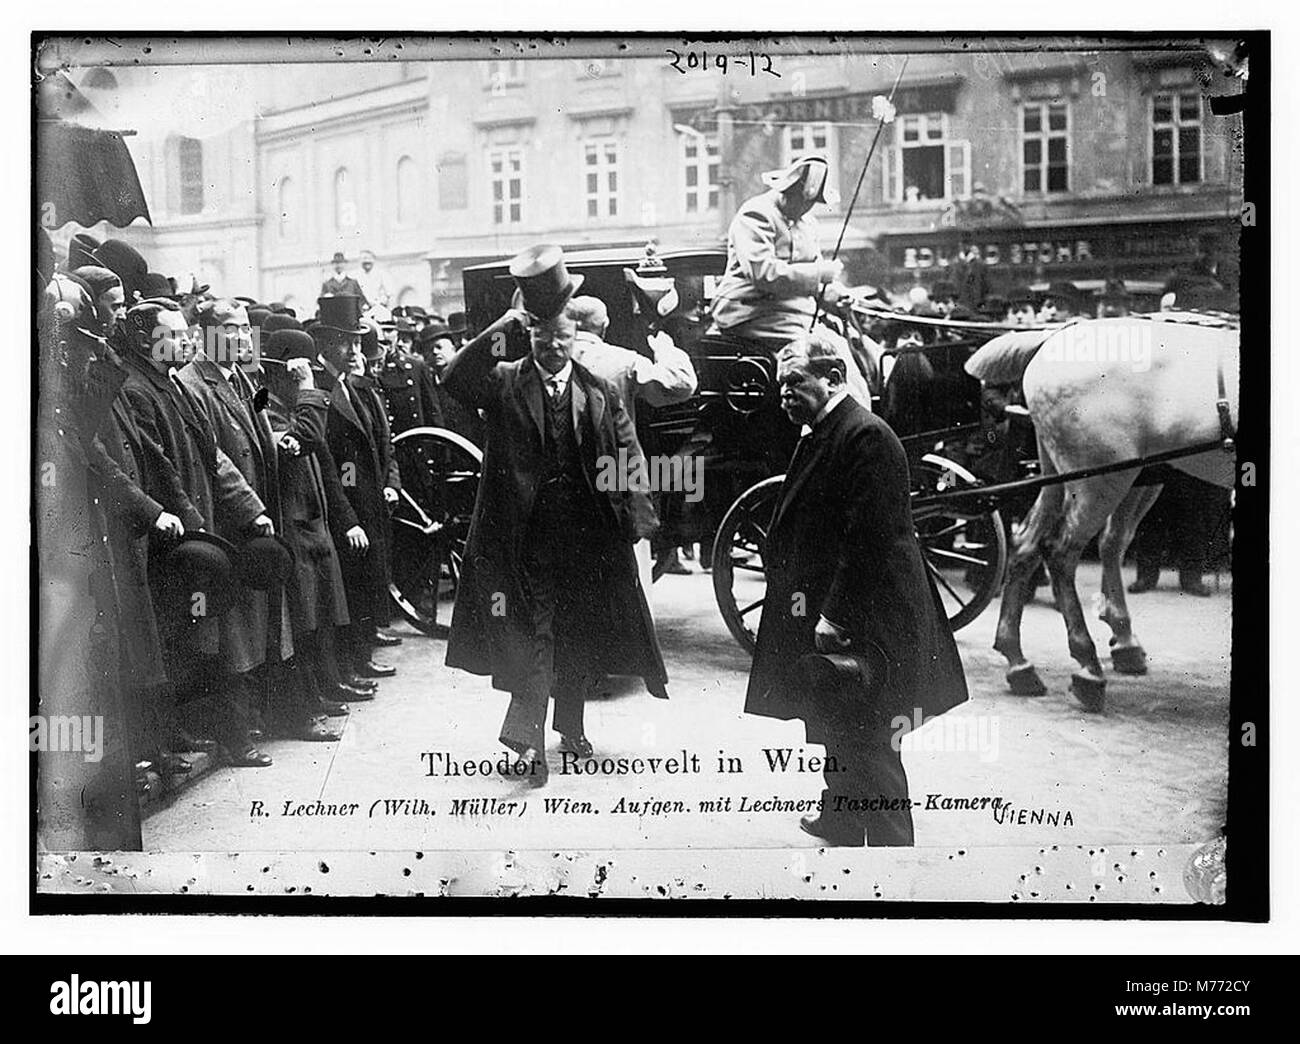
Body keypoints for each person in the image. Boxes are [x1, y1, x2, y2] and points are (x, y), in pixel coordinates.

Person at [442, 245, 667, 787]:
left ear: (576, 341)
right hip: (524, 537)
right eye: (543, 340)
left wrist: (636, 520)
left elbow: (627, 451)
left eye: (562, 340)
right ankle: (526, 739)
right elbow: (452, 378)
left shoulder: (598, 388)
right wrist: (507, 322)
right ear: (532, 338)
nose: (553, 348)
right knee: (535, 630)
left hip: (588, 537)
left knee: (580, 632)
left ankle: (572, 724)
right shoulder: (502, 381)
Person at [744, 333, 968, 846]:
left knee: (870, 735)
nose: (784, 394)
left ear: (835, 379)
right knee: (835, 719)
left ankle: (892, 847)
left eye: (795, 383)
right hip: (836, 610)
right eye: (781, 385)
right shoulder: (825, 429)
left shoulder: (866, 437)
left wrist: (835, 617)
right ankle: (842, 816)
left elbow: (869, 539)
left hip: (870, 619)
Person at [709, 154, 871, 406]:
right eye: (802, 200)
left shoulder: (808, 223)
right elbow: (763, 273)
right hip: (752, 313)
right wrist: (819, 273)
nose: (806, 208)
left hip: (794, 316)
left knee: (842, 349)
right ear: (786, 190)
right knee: (818, 356)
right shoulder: (755, 215)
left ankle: (853, 422)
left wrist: (835, 293)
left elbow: (815, 281)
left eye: (812, 203)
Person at [566, 293, 698, 597]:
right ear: (605, 325)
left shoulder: (544, 361)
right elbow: (680, 385)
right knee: (626, 573)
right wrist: (666, 349)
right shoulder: (624, 360)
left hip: (561, 476)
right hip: (612, 474)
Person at [311, 297, 398, 681]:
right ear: (327, 343)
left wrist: (389, 484)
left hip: (368, 501)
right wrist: (347, 516)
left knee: (364, 583)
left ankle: (360, 657)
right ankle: (348, 666)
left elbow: (383, 443)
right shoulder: (320, 389)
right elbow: (326, 463)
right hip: (344, 506)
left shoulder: (354, 387)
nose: (355, 351)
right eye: (347, 342)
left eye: (359, 342)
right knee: (347, 587)